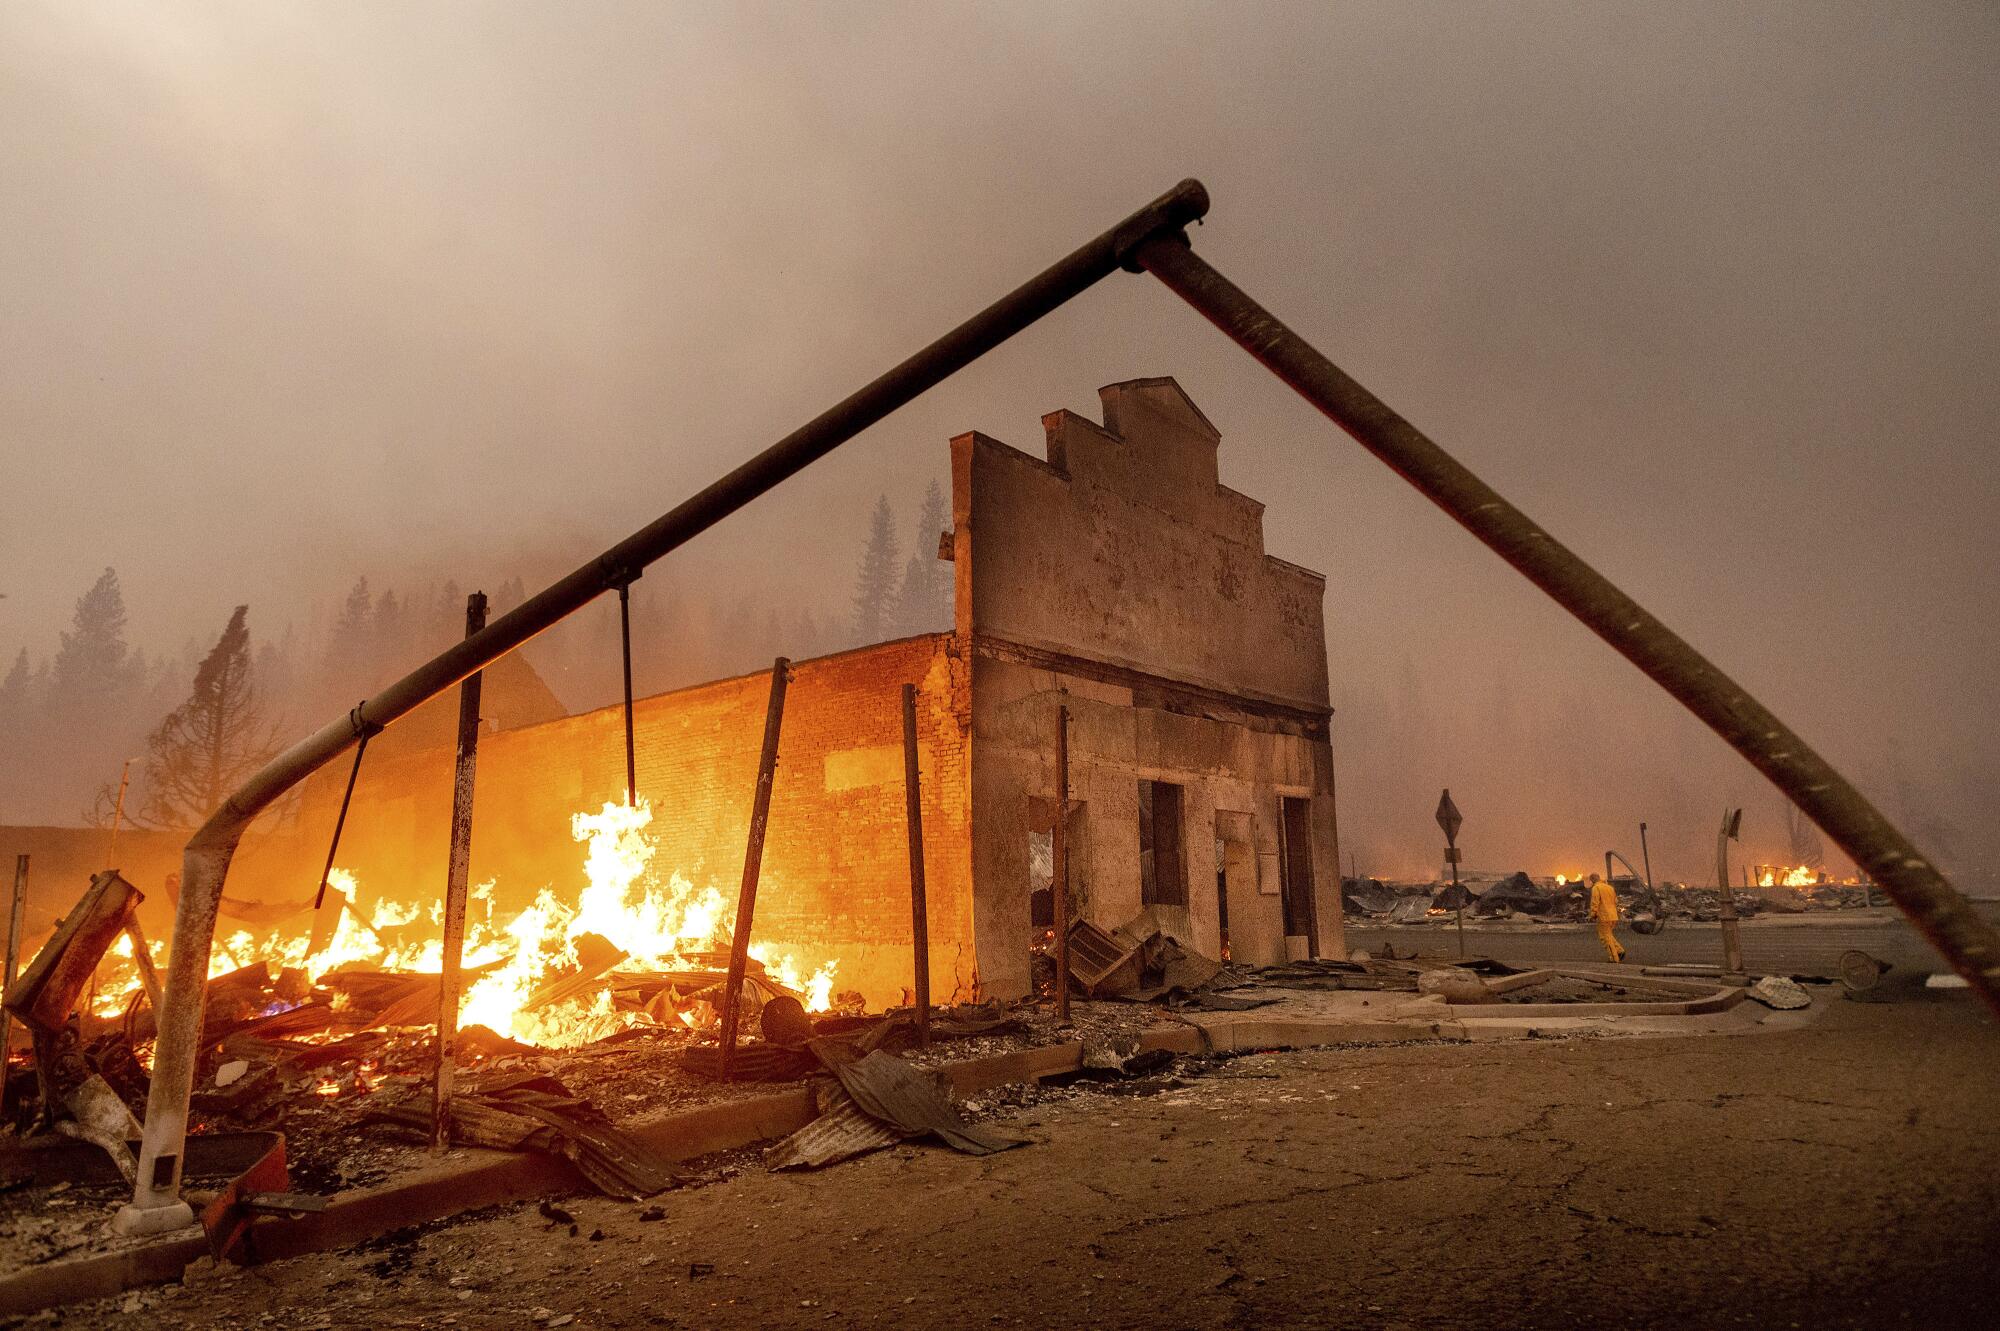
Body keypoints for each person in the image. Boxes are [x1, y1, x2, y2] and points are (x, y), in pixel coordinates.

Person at [1587, 872, 1625, 963]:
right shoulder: (1610, 888)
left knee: (1605, 937)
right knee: (1608, 935)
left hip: (1604, 916)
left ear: (1592, 880)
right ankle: (1619, 951)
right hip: (1613, 915)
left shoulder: (1596, 888)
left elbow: (1595, 902)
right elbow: (1615, 901)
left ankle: (1614, 958)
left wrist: (1593, 914)